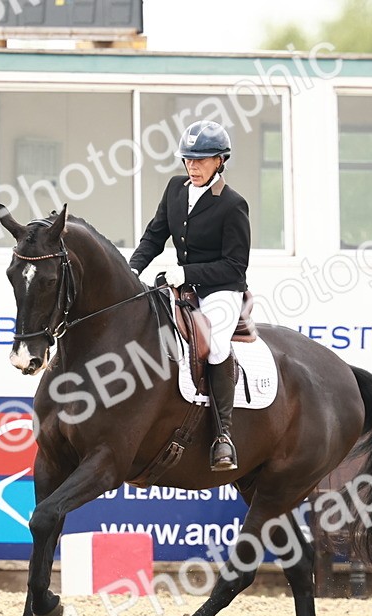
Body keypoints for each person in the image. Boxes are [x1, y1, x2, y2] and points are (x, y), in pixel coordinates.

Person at [129, 119, 250, 472]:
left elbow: (235, 266)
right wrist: (132, 269)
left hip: (220, 291)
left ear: (220, 161)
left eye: (202, 160)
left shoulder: (233, 204)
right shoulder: (175, 189)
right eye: (188, 159)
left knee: (216, 347)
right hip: (182, 287)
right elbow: (154, 236)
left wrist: (187, 273)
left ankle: (223, 434)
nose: (193, 166)